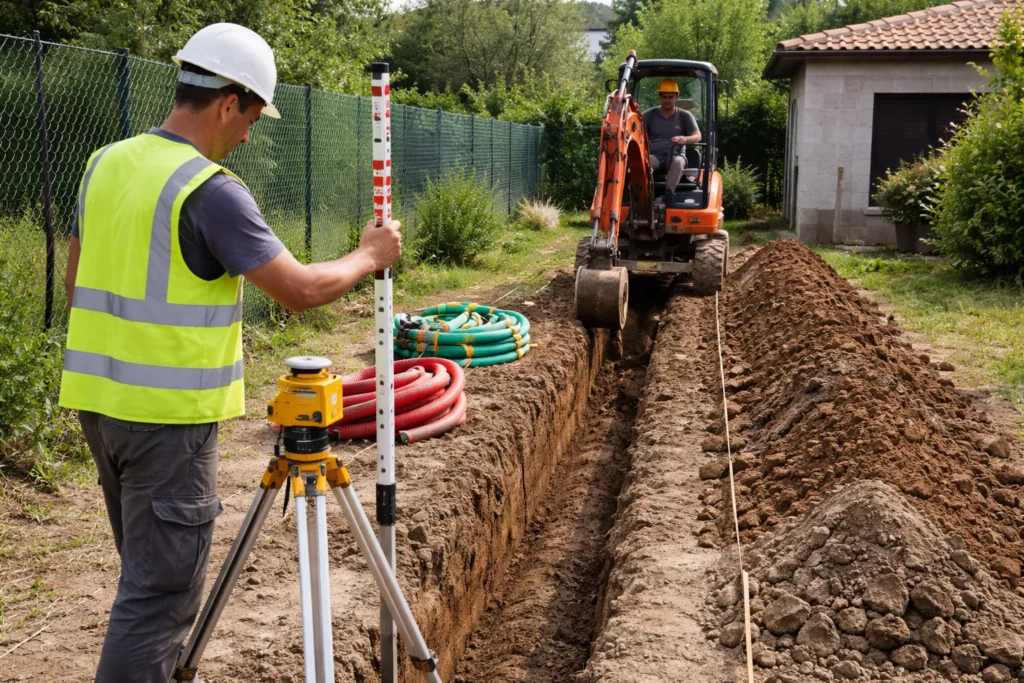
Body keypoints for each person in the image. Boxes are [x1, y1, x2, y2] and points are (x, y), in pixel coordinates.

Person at [57, 23, 401, 683]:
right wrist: (368, 255)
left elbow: (76, 285)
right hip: (166, 422)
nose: (249, 134)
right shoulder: (209, 189)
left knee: (146, 579)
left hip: (100, 411)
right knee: (160, 597)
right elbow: (300, 289)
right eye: (251, 116)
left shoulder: (106, 162)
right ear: (227, 102)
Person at [642, 78, 702, 196]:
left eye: (670, 97)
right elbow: (634, 131)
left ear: (676, 97)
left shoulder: (685, 115)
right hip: (655, 155)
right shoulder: (649, 115)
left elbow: (697, 136)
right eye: (664, 97)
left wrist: (685, 139)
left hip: (676, 155)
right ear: (660, 98)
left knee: (678, 163)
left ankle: (668, 195)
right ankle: (645, 196)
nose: (667, 100)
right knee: (644, 162)